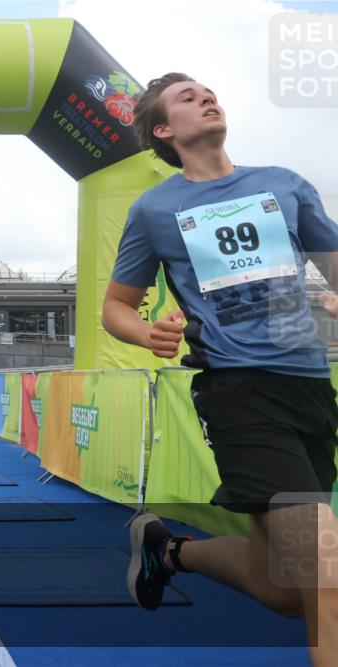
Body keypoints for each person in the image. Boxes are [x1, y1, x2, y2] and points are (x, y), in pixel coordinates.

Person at [102, 73, 338, 665]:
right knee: (325, 568)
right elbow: (116, 307)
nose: (206, 97)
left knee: (288, 592)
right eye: (187, 97)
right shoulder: (155, 209)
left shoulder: (283, 184)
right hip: (239, 392)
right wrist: (146, 331)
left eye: (208, 91)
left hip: (310, 386)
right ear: (164, 130)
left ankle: (169, 551)